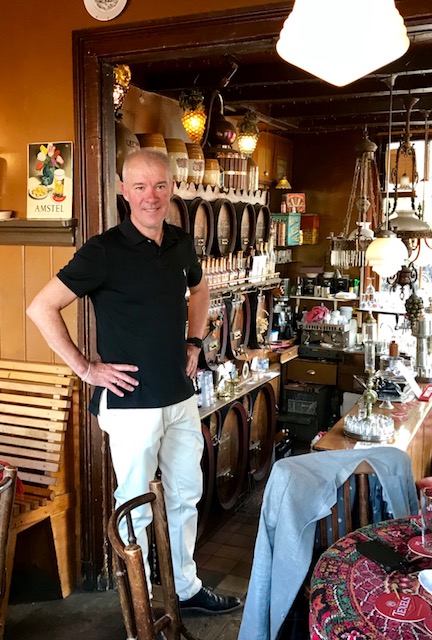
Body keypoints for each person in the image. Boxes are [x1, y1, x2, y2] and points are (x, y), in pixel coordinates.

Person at [26, 148, 241, 614]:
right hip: (129, 403)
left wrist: (194, 342)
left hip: (179, 395)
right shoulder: (102, 251)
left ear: (172, 189)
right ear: (124, 191)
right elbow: (41, 308)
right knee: (136, 507)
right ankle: (140, 609)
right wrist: (86, 369)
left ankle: (185, 590)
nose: (151, 196)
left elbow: (200, 288)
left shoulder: (181, 242)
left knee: (186, 495)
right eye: (140, 186)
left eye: (160, 185)